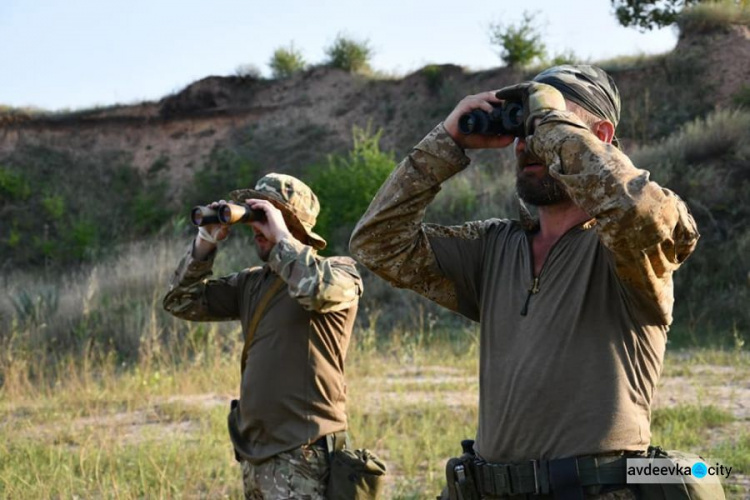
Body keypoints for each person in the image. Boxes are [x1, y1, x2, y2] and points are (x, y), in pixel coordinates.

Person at [349, 65, 710, 499]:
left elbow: (639, 214)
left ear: (602, 134)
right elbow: (376, 243)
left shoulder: (631, 251)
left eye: (547, 125)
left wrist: (550, 122)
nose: (529, 142)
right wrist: (447, 141)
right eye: (524, 129)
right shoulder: (493, 248)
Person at [164, 173, 363, 499]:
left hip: (304, 453)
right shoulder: (253, 283)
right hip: (256, 455)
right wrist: (205, 242)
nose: (257, 225)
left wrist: (283, 238)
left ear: (293, 225)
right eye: (255, 215)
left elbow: (316, 291)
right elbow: (181, 301)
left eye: (266, 216)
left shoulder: (340, 272)